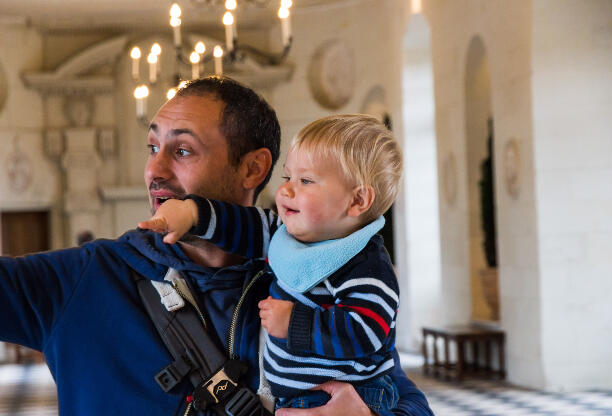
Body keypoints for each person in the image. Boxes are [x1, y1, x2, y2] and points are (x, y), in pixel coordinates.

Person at [0, 76, 433, 416]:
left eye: (183, 150)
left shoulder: (314, 277)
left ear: (253, 168)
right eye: (152, 146)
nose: (155, 169)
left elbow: (396, 388)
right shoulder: (84, 278)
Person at [139, 114, 402, 413]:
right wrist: (192, 214)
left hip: (346, 394)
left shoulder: (365, 265)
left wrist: (295, 323)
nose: (287, 190)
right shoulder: (285, 232)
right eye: (287, 178)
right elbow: (240, 224)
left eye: (305, 181)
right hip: (292, 395)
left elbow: (367, 330)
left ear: (357, 201)